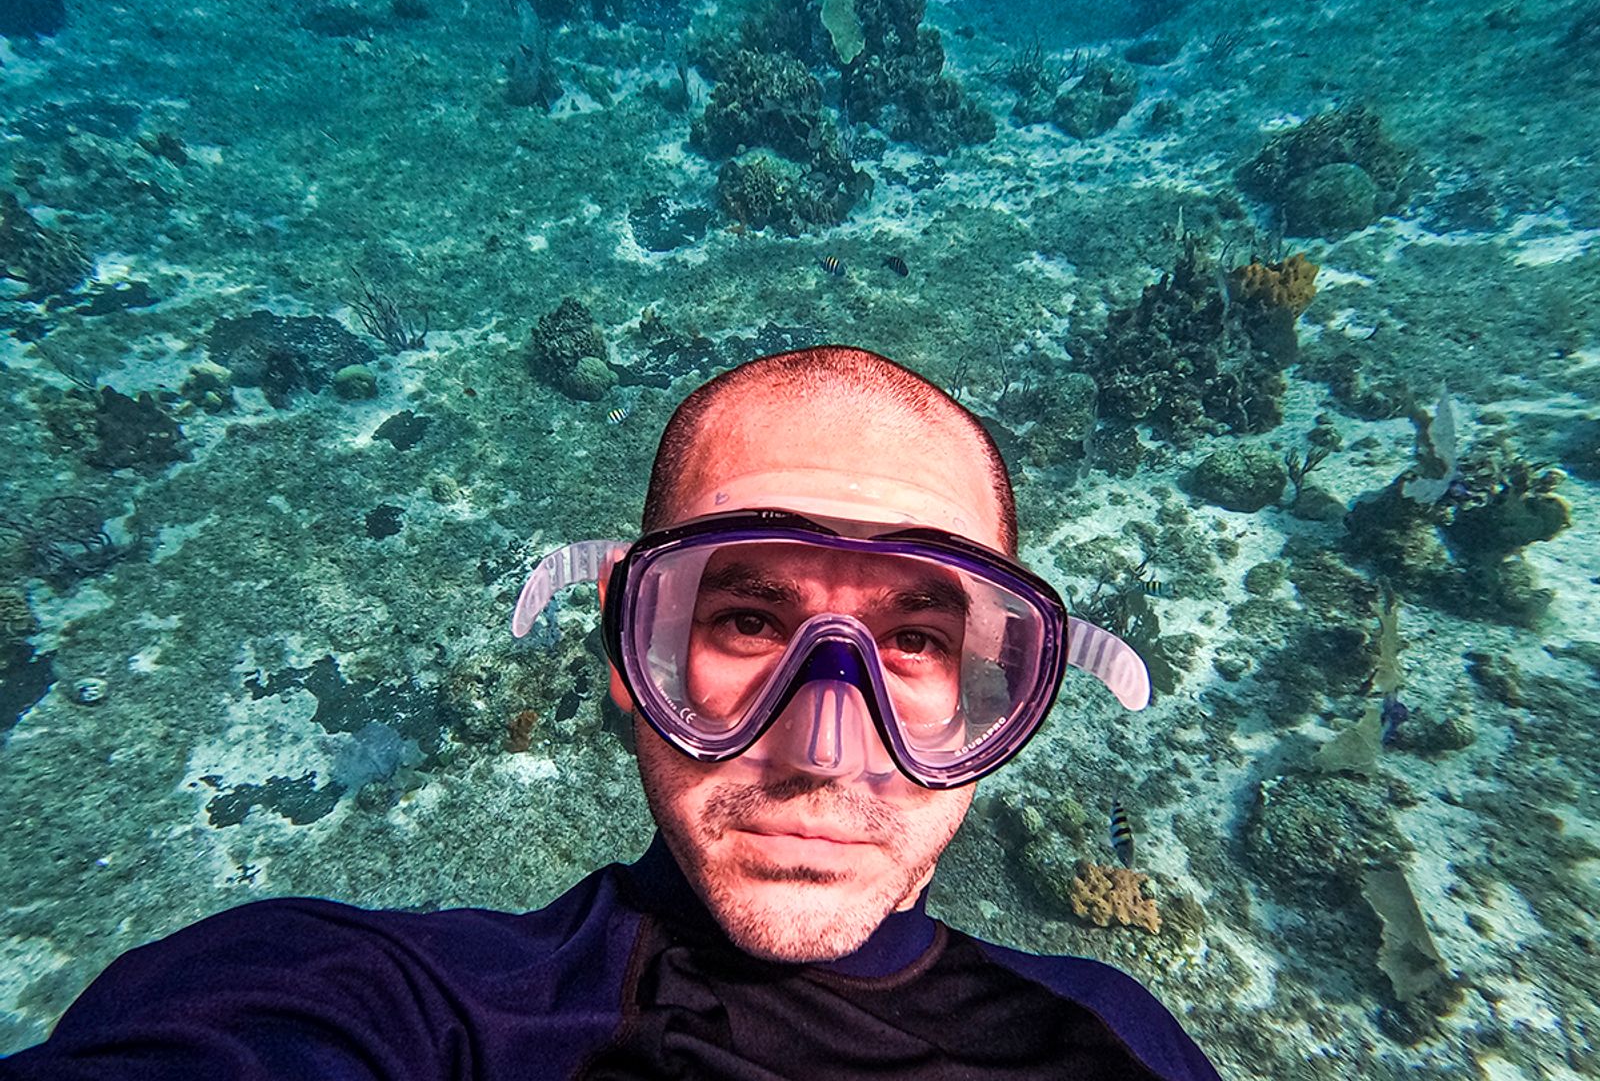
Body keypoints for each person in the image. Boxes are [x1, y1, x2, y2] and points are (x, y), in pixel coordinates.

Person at [2, 346, 1221, 1080]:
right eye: (744, 619)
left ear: (990, 693)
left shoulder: (1117, 1044)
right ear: (629, 658)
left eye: (913, 640)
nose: (823, 747)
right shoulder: (376, 1004)